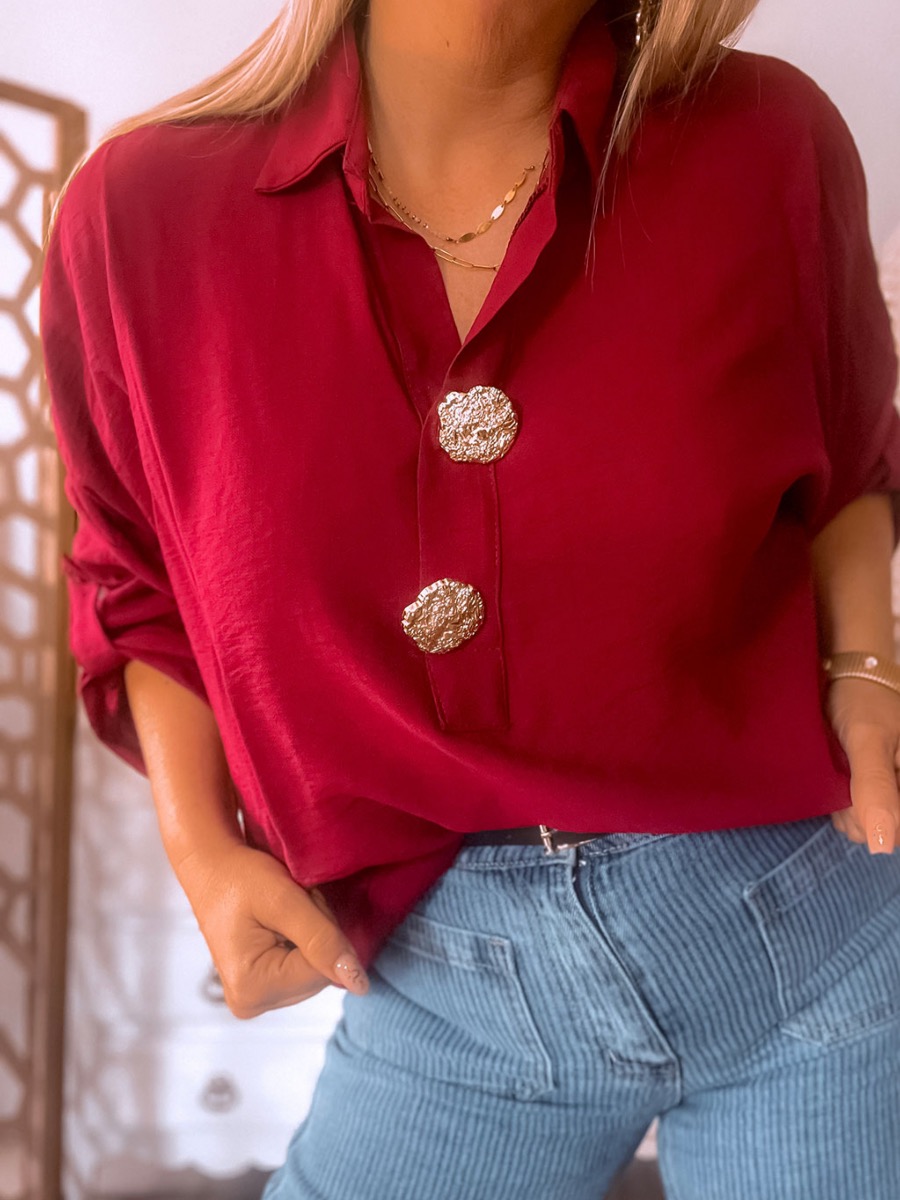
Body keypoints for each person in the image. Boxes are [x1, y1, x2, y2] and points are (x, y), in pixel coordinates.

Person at [40, 0, 900, 1196]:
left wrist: (866, 674)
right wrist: (201, 845)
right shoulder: (140, 214)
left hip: (813, 928)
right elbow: (135, 575)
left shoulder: (766, 139)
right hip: (446, 984)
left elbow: (848, 456)